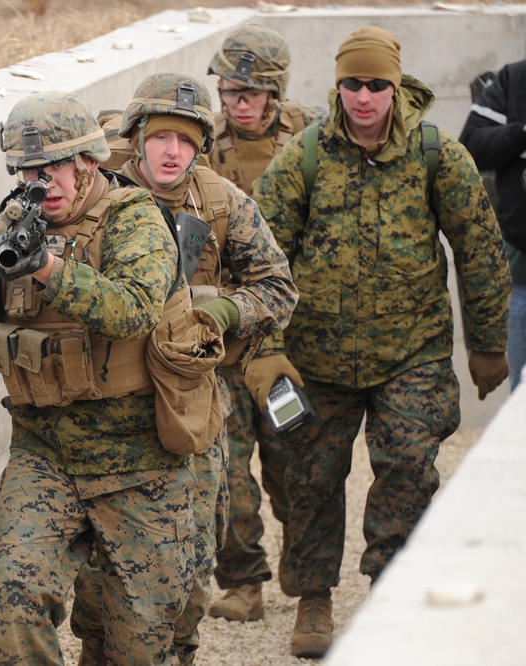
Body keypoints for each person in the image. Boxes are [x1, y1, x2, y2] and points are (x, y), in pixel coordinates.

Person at [0, 90, 290, 664]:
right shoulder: (12, 220)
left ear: (88, 163)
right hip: (46, 455)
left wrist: (49, 269)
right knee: (13, 607)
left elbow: (131, 310)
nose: (39, 181)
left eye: (51, 167)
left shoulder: (136, 218)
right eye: (25, 169)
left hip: (142, 461)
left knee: (140, 648)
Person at [253, 26, 511, 659]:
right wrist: (265, 346)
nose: (363, 97)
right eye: (351, 84)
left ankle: (388, 589)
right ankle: (313, 597)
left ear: (395, 87)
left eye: (375, 85)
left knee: (406, 465)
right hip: (318, 357)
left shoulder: (436, 156)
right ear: (337, 85)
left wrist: (487, 342)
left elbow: (478, 248)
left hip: (412, 353)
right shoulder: (305, 157)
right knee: (310, 475)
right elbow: (259, 255)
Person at [69, 73, 298, 663]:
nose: (174, 153)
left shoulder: (220, 202)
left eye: (189, 141)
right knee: (100, 570)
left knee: (192, 561)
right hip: (106, 413)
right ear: (138, 136)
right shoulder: (95, 194)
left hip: (188, 409)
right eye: (162, 137)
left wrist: (221, 308)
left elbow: (278, 287)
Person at [204, 23, 326, 625]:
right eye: (229, 92)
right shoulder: (203, 144)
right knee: (226, 473)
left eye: (249, 93)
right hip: (224, 342)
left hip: (285, 343)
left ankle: (307, 582)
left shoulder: (310, 138)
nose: (238, 103)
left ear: (275, 92)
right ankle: (243, 581)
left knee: (294, 468)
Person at [460, 58, 526, 391]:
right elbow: (470, 145)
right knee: (521, 398)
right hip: (520, 273)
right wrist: (521, 133)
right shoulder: (515, 79)